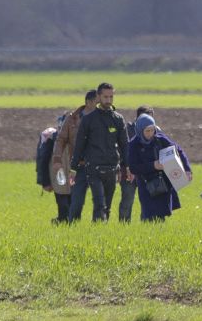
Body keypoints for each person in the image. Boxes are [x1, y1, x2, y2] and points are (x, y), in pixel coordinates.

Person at [70, 83, 127, 223]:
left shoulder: (118, 119)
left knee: (107, 207)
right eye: (105, 97)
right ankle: (97, 231)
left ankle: (102, 233)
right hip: (93, 168)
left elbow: (125, 145)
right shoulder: (89, 120)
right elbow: (79, 145)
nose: (108, 100)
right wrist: (73, 167)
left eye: (111, 97)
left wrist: (127, 166)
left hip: (112, 168)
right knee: (99, 204)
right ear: (98, 97)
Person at [127, 114, 192, 222]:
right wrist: (153, 165)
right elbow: (133, 168)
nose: (150, 134)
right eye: (147, 131)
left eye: (152, 130)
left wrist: (187, 169)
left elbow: (178, 150)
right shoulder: (134, 145)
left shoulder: (160, 139)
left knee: (161, 217)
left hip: (163, 184)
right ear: (140, 130)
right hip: (146, 186)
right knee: (148, 216)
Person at [55, 90, 97, 223]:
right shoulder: (72, 118)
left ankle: (100, 228)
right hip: (79, 165)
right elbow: (61, 139)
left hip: (99, 165)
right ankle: (74, 227)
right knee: (76, 202)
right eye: (97, 102)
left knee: (101, 202)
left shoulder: (104, 118)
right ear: (89, 102)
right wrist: (57, 159)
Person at [117, 105, 153, 223]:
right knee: (127, 201)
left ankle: (146, 227)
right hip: (128, 172)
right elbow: (123, 149)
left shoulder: (155, 131)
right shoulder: (127, 129)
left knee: (147, 202)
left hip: (147, 173)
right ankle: (123, 227)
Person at [36, 124, 70, 223]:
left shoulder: (76, 137)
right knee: (63, 200)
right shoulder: (51, 139)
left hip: (68, 176)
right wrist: (46, 182)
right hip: (58, 175)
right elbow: (43, 160)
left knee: (66, 200)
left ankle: (64, 220)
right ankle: (64, 220)